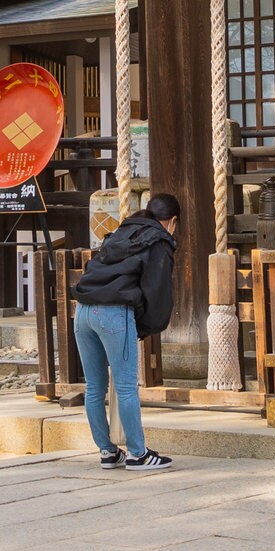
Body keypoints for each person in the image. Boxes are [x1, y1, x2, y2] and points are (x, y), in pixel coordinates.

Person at [67, 191, 180, 472]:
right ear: (172, 221)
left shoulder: (119, 232)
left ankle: (107, 452)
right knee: (127, 386)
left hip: (82, 311)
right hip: (114, 312)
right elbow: (156, 292)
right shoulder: (159, 241)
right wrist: (145, 327)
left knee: (94, 387)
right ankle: (138, 454)